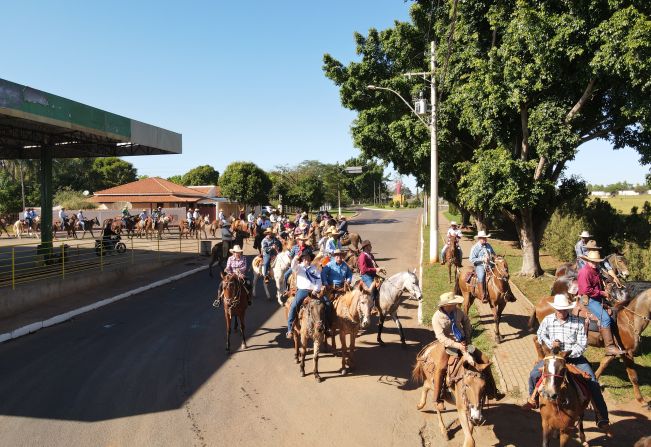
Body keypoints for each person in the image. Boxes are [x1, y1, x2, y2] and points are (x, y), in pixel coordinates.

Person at [523, 294, 612, 433]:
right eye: (558, 309)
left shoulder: (577, 322)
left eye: (564, 309)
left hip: (573, 357)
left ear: (568, 309)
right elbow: (540, 334)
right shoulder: (548, 320)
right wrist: (549, 343)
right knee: (534, 374)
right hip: (553, 356)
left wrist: (567, 354)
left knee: (592, 380)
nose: (561, 312)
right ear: (555, 309)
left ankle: (601, 416)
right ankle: (532, 399)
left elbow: (582, 344)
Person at [431, 292, 504, 410]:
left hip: (466, 343)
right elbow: (441, 338)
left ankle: (493, 391)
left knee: (485, 359)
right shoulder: (437, 318)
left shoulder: (457, 311)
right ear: (446, 305)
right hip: (449, 346)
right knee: (441, 367)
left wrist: (467, 337)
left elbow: (466, 321)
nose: (455, 305)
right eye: (453, 303)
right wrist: (457, 345)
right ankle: (437, 398)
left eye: (455, 303)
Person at [578, 250, 625, 356]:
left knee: (614, 313)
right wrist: (602, 293)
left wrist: (605, 289)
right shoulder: (585, 272)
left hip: (597, 297)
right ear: (588, 261)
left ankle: (616, 341)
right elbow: (586, 290)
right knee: (605, 318)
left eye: (597, 262)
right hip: (588, 299)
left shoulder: (595, 270)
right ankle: (609, 347)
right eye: (593, 261)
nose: (595, 263)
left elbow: (598, 284)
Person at [286, 251, 324, 339]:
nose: (306, 259)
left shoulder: (315, 269)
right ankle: (289, 329)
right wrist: (296, 257)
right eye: (304, 258)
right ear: (302, 259)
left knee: (324, 305)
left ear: (310, 259)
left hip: (313, 291)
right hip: (302, 291)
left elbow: (319, 281)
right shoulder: (298, 267)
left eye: (308, 258)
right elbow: (293, 266)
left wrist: (316, 290)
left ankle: (326, 327)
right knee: (293, 306)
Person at [469, 230, 496, 304]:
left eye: (485, 238)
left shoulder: (488, 245)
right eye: (483, 238)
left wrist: (496, 257)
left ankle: (508, 293)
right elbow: (471, 259)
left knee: (501, 273)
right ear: (479, 238)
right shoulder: (475, 247)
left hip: (490, 264)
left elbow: (493, 253)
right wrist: (482, 259)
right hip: (480, 265)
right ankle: (483, 295)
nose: (485, 239)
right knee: (481, 276)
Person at [358, 240, 385, 308]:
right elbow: (363, 269)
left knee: (384, 282)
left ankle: (379, 301)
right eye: (370, 245)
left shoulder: (370, 255)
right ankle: (371, 306)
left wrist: (380, 269)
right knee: (372, 289)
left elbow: (374, 265)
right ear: (366, 247)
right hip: (366, 276)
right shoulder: (362, 256)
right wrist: (375, 269)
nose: (371, 247)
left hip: (373, 274)